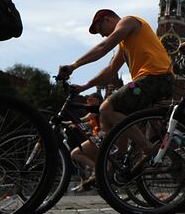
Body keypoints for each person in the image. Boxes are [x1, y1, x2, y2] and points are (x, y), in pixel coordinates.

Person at [57, 9, 174, 172]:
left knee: (106, 108)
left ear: (107, 20)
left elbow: (104, 47)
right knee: (119, 115)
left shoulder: (129, 21)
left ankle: (148, 148)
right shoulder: (124, 42)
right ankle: (125, 159)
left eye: (100, 30)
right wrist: (85, 86)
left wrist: (74, 65)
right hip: (155, 79)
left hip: (155, 77)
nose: (102, 35)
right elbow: (110, 70)